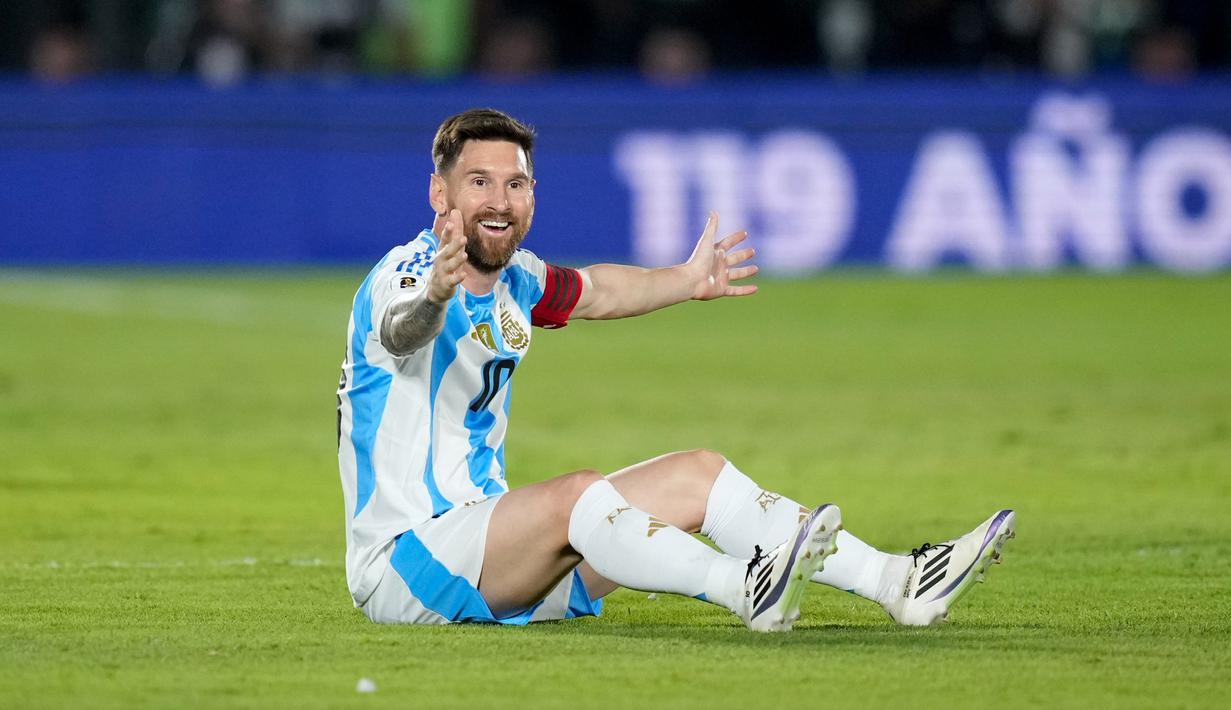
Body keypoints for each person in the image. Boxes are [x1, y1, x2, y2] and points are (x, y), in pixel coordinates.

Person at [336, 108, 1016, 630]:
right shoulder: (407, 276)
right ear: (439, 193)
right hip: (407, 564)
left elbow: (596, 291)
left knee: (697, 473)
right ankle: (742, 587)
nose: (498, 200)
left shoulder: (516, 278)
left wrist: (685, 280)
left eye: (514, 183)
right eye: (477, 181)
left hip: (501, 557)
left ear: (532, 196)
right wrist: (432, 297)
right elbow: (401, 332)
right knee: (578, 493)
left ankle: (898, 582)